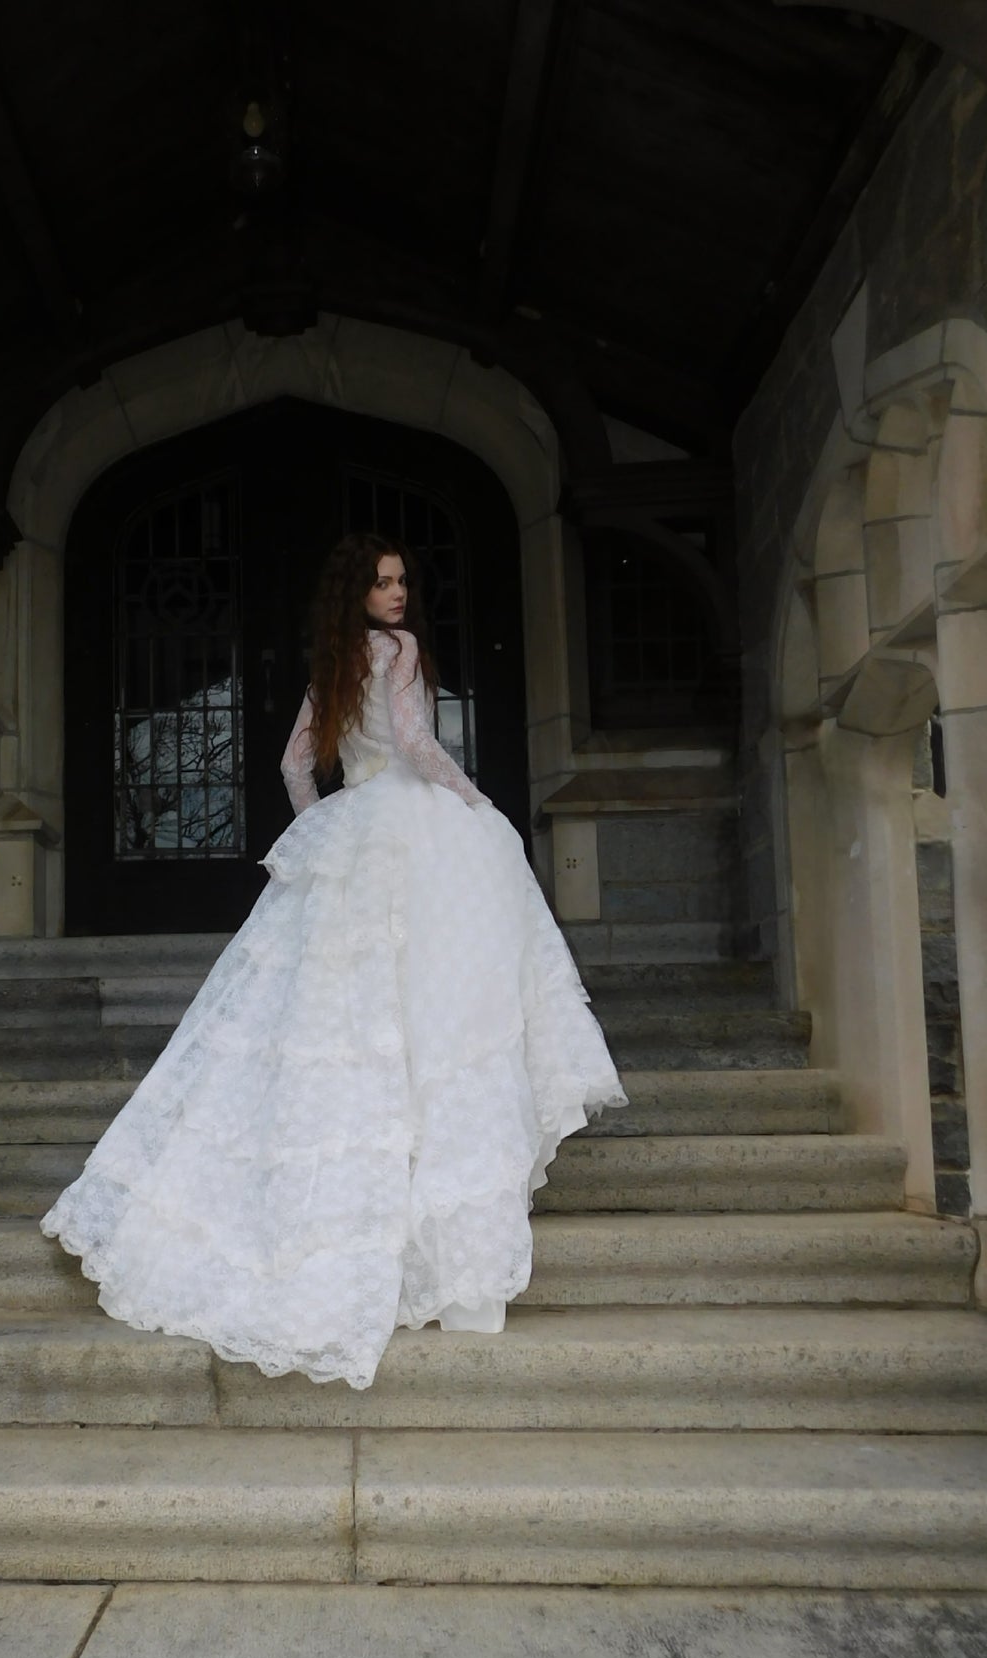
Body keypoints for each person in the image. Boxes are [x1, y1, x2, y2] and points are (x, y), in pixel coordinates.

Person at [40, 532, 627, 1388]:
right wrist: (474, 800)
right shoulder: (402, 651)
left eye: (401, 581)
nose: (395, 593)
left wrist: (322, 823)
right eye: (382, 582)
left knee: (344, 1011)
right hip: (412, 829)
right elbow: (418, 747)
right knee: (432, 998)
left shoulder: (334, 662)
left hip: (354, 829)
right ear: (359, 590)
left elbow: (289, 765)